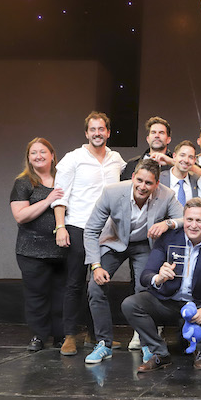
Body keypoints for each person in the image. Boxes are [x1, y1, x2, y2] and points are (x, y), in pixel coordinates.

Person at [83, 159, 184, 364]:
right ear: (133, 177)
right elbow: (91, 230)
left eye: (149, 183)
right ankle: (103, 344)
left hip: (144, 245)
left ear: (157, 184)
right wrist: (96, 265)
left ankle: (147, 343)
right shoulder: (112, 192)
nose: (142, 186)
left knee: (144, 289)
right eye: (139, 180)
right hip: (115, 242)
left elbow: (184, 218)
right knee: (95, 286)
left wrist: (167, 223)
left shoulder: (166, 195)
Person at [121, 198, 201, 372]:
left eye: (199, 220)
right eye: (189, 219)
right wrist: (158, 278)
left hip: (198, 302)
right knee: (130, 304)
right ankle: (160, 353)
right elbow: (145, 276)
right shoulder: (167, 239)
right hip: (167, 301)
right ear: (183, 220)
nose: (193, 225)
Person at [52, 111, 126, 356]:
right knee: (74, 283)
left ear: (108, 132)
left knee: (99, 284)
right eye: (93, 129)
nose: (97, 133)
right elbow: (60, 195)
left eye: (101, 129)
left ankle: (96, 336)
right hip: (78, 227)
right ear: (86, 133)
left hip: (106, 232)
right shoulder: (73, 158)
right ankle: (69, 335)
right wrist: (60, 227)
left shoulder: (116, 159)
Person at [10, 138, 66, 351]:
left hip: (63, 248)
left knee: (62, 294)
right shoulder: (23, 182)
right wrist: (48, 200)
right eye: (33, 153)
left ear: (52, 155)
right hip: (31, 250)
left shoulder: (64, 179)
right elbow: (20, 216)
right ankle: (38, 336)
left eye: (43, 151)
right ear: (28, 158)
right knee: (36, 295)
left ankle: (61, 336)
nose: (38, 156)